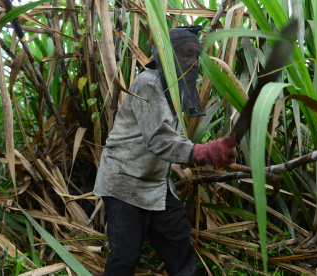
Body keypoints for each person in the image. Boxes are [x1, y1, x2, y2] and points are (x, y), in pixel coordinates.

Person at [93, 26, 237, 276]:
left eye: (196, 55)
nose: (193, 62)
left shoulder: (175, 90)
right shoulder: (148, 83)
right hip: (124, 183)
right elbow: (159, 140)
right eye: (186, 54)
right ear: (167, 55)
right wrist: (202, 152)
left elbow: (173, 139)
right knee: (125, 257)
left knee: (179, 243)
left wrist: (211, 152)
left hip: (155, 185)